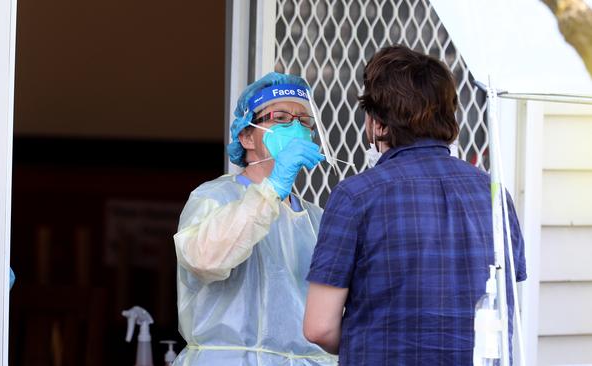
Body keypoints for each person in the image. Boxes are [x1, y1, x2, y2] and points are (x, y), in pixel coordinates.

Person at [302, 46, 527, 365]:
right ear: (449, 117)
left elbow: (318, 327)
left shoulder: (355, 196)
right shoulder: (495, 196)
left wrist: (373, 339)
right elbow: (509, 303)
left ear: (378, 123)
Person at [172, 72, 337, 365]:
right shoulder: (214, 197)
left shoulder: (317, 220)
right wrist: (272, 189)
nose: (296, 128)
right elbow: (204, 259)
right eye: (282, 118)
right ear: (246, 135)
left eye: (304, 121)